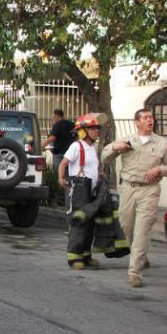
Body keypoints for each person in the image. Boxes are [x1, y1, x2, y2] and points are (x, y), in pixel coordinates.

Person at [101, 108, 167, 288]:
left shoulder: (161, 143)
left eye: (151, 117)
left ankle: (135, 272)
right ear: (137, 122)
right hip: (128, 188)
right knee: (127, 227)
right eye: (145, 118)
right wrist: (114, 147)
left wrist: (159, 169)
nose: (150, 120)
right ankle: (141, 257)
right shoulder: (127, 140)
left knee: (142, 230)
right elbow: (105, 157)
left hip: (149, 190)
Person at [58, 113, 103, 270]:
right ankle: (74, 257)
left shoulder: (93, 148)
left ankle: (86, 256)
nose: (97, 131)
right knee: (79, 221)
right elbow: (63, 164)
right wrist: (61, 178)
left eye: (98, 128)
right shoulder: (76, 146)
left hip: (92, 190)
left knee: (90, 223)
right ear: (83, 131)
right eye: (93, 128)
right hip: (79, 189)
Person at [42, 109, 76, 176]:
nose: (53, 118)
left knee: (58, 173)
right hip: (70, 153)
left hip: (59, 153)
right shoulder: (72, 124)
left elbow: (52, 138)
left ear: (57, 116)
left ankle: (60, 185)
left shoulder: (57, 125)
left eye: (54, 117)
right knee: (69, 174)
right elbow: (76, 137)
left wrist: (42, 145)